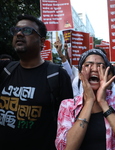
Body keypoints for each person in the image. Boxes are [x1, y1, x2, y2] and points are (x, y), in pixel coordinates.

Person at [0, 14, 73, 150]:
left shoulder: (57, 75)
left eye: (27, 31)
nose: (20, 34)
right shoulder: (5, 70)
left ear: (42, 42)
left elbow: (67, 124)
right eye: (16, 31)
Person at [55, 49, 115, 150]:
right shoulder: (68, 106)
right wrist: (89, 101)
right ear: (80, 75)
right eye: (88, 65)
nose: (94, 69)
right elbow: (67, 148)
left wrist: (103, 103)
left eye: (100, 66)